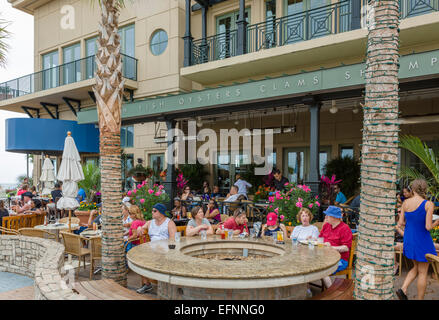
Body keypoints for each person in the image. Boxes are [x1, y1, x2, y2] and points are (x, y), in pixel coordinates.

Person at [396, 179, 439, 300]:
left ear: (413, 189)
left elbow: (400, 223)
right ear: (425, 189)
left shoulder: (405, 203)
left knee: (416, 267)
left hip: (409, 240)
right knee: (423, 272)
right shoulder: (428, 204)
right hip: (422, 241)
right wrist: (437, 222)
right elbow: (428, 227)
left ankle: (403, 288)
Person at [136, 203, 177, 294]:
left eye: (155, 211)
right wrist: (140, 228)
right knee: (138, 259)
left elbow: (173, 240)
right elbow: (142, 228)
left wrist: (165, 249)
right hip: (151, 249)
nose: (152, 212)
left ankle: (165, 284)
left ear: (161, 212)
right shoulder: (150, 222)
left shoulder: (169, 223)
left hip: (164, 250)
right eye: (152, 210)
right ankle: (147, 284)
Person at [319, 206, 353, 288]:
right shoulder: (326, 226)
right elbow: (320, 239)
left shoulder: (345, 228)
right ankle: (308, 290)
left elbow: (346, 248)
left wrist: (331, 247)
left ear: (334, 217)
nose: (326, 217)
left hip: (340, 259)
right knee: (311, 264)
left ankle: (330, 293)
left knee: (323, 270)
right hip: (324, 256)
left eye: (328, 215)